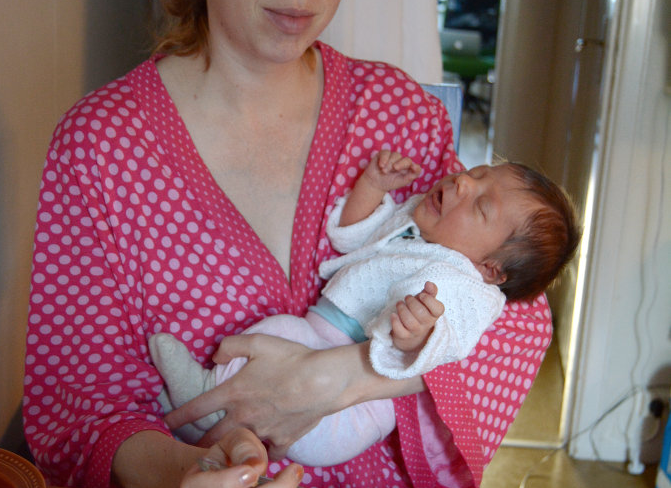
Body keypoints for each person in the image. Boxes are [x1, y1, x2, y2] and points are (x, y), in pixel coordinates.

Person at [23, 0, 557, 488]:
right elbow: (81, 408)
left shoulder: (396, 114)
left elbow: (511, 313)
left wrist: (343, 379)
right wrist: (191, 475)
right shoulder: (100, 148)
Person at [150, 150, 579, 465]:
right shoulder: (416, 223)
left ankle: (211, 420)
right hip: (321, 330)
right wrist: (371, 187)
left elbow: (451, 342)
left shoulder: (470, 289)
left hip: (362, 402)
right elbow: (354, 236)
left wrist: (418, 334)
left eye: (481, 205)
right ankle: (209, 402)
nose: (463, 183)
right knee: (273, 334)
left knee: (317, 425)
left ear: (492, 269)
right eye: (476, 173)